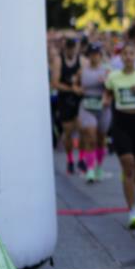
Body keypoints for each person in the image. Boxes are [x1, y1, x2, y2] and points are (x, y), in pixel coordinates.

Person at [105, 41, 135, 229]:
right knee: (128, 166)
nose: (128, 57)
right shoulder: (113, 77)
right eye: (125, 54)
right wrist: (105, 100)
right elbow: (108, 93)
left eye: (131, 53)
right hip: (121, 123)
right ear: (120, 57)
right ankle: (132, 210)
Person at [50, 36, 84, 175]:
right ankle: (70, 160)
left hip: (79, 100)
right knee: (68, 132)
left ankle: (81, 159)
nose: (71, 50)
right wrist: (72, 88)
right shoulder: (59, 61)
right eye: (69, 47)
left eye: (73, 47)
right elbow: (55, 83)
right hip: (65, 100)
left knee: (83, 130)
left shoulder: (82, 60)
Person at [78, 43, 112, 182]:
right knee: (90, 136)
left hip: (103, 107)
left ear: (100, 55)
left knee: (101, 138)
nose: (95, 56)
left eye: (97, 54)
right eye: (92, 54)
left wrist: (106, 85)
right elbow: (75, 83)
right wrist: (77, 89)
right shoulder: (83, 70)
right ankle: (90, 169)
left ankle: (99, 167)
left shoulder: (107, 70)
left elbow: (111, 88)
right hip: (87, 106)